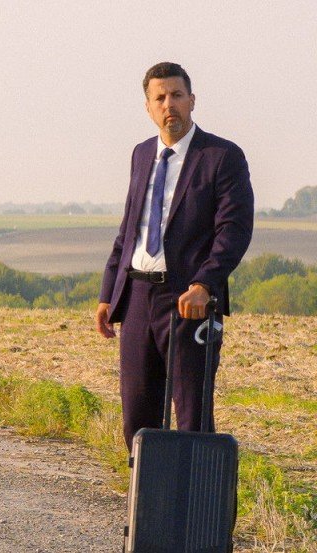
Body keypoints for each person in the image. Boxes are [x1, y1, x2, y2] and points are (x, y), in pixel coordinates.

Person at [96, 62, 254, 451]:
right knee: (136, 418)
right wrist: (107, 294)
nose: (170, 104)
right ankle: (146, 507)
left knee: (192, 420)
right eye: (160, 97)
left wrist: (205, 283)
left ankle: (194, 509)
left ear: (192, 100)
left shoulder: (222, 156)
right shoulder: (140, 154)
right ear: (149, 108)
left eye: (178, 95)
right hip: (135, 298)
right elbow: (129, 228)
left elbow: (233, 231)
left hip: (189, 303)